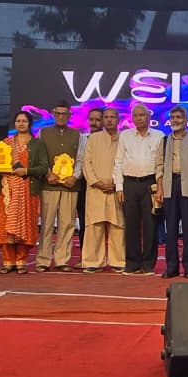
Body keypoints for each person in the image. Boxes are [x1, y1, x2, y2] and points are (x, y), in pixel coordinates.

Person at [0, 111, 49, 274]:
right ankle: (8, 261)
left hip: (27, 189)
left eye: (24, 121)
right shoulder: (5, 143)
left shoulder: (37, 144)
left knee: (25, 225)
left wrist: (26, 171)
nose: (21, 123)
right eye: (18, 121)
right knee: (6, 225)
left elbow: (43, 167)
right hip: (6, 190)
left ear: (30, 123)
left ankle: (21, 261)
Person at [113, 104, 164, 275]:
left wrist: (160, 188)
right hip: (129, 184)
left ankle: (148, 264)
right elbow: (118, 161)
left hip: (150, 184)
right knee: (131, 225)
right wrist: (119, 187)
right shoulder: (125, 136)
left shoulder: (159, 136)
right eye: (135, 115)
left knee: (151, 225)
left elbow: (161, 164)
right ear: (132, 118)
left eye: (142, 115)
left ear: (148, 116)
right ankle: (132, 263)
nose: (139, 118)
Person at [157, 106, 188, 279]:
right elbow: (159, 166)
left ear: (185, 120)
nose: (175, 120)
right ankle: (171, 267)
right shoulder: (164, 141)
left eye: (178, 117)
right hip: (170, 186)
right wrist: (159, 187)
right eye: (173, 117)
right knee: (170, 230)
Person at [35, 101, 81, 272]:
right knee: (47, 224)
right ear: (53, 114)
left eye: (64, 113)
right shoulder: (43, 132)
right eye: (58, 113)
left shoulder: (78, 134)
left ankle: (62, 260)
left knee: (67, 224)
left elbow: (81, 158)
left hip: (70, 186)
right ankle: (43, 260)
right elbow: (41, 156)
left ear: (69, 115)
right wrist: (48, 173)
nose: (61, 116)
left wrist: (75, 176)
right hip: (49, 185)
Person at [81, 107, 125, 274]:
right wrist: (96, 182)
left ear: (118, 120)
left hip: (117, 189)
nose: (109, 120)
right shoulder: (93, 138)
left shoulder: (125, 138)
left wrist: (118, 184)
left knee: (118, 225)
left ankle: (118, 261)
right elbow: (87, 163)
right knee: (94, 225)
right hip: (96, 189)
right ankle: (92, 261)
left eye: (112, 117)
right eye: (106, 117)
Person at [75, 107, 105, 252]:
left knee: (104, 222)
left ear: (103, 121)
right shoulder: (82, 138)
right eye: (91, 119)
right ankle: (85, 256)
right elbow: (79, 160)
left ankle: (104, 255)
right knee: (85, 220)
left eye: (98, 120)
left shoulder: (111, 139)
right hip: (83, 184)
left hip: (105, 185)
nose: (94, 123)